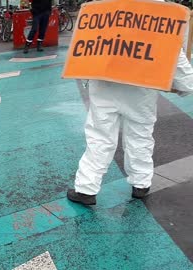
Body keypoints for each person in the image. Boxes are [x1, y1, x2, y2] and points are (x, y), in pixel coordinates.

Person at [67, 15, 193, 206]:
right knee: (140, 134)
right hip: (141, 85)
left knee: (100, 136)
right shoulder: (157, 10)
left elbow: (88, 40)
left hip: (106, 81)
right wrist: (185, 84)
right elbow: (172, 49)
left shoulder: (105, 8)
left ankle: (86, 188)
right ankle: (141, 184)